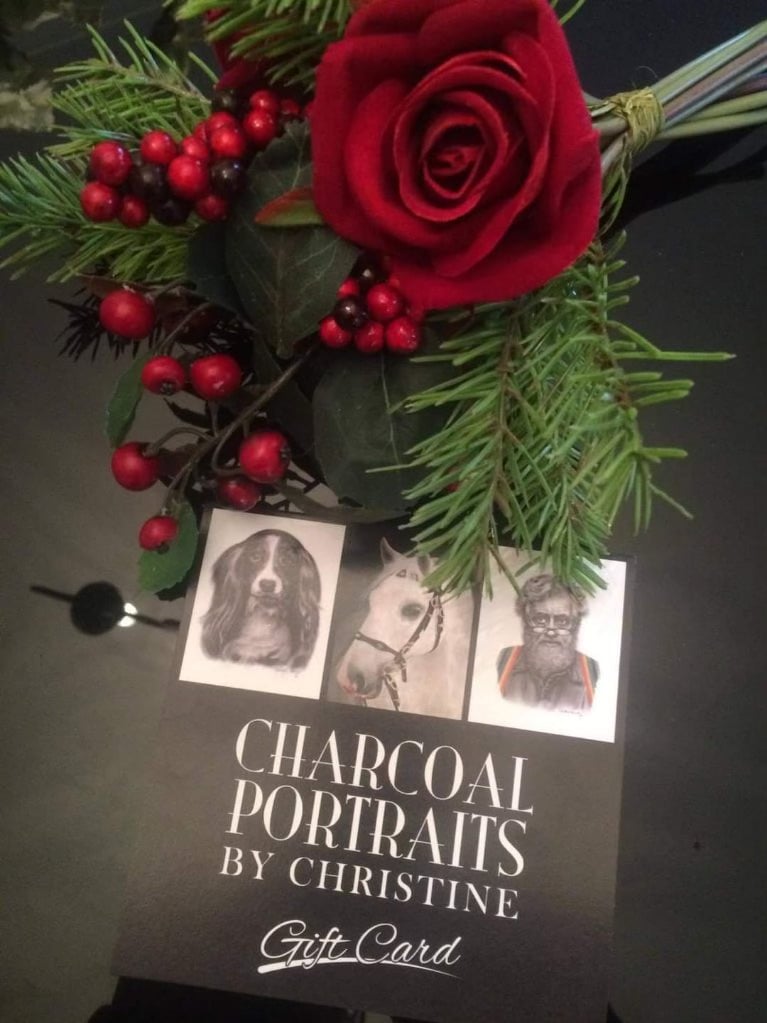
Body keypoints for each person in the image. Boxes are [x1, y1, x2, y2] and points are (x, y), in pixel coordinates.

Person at [496, 574, 599, 712]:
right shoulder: (505, 660)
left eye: (562, 621)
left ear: (576, 625)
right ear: (526, 621)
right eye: (540, 619)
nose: (551, 632)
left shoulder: (591, 670)